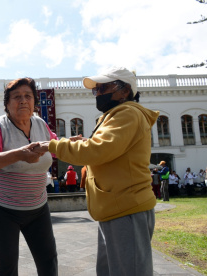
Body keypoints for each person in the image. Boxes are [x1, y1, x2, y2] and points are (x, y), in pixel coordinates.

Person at [34, 67, 158, 275]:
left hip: (126, 208)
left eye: (103, 88)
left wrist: (52, 145)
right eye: (96, 90)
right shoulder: (114, 116)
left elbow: (98, 151)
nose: (98, 93)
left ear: (124, 90)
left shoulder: (127, 113)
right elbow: (106, 149)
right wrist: (85, 143)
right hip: (114, 207)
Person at [0, 77, 58, 276]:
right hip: (3, 207)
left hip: (37, 205)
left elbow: (56, 148)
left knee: (48, 259)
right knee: (5, 265)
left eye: (28, 96)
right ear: (7, 103)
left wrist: (71, 144)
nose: (23, 100)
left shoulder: (40, 124)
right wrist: (20, 153)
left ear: (34, 102)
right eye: (17, 97)